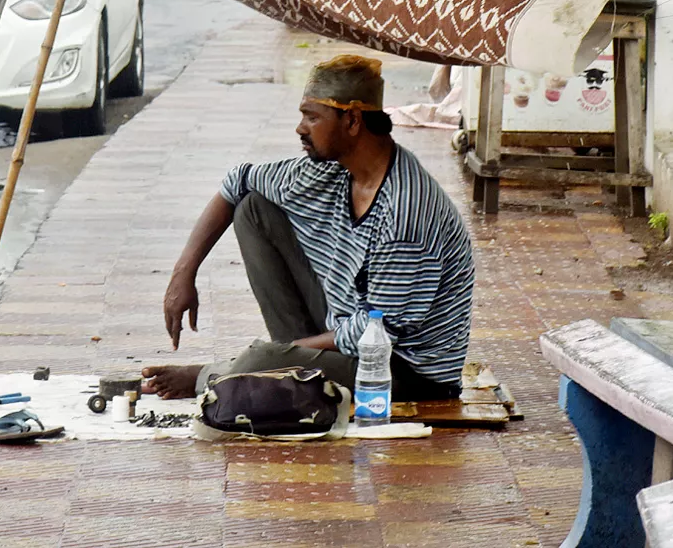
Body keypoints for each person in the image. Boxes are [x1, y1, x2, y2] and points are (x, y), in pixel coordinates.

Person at [142, 55, 475, 402]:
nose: (301, 128)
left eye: (312, 117)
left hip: (403, 372)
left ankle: (221, 375)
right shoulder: (330, 171)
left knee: (262, 358)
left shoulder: (406, 211)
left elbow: (377, 332)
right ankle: (284, 366)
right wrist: (184, 273)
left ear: (352, 120)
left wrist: (282, 355)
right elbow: (236, 182)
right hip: (347, 334)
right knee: (254, 208)